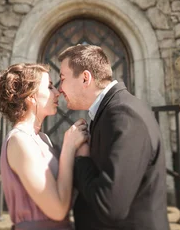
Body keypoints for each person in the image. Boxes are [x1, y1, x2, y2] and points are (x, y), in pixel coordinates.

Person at [58, 45, 169, 230]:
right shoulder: (109, 111)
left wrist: (82, 159)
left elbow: (110, 206)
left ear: (85, 78)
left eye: (62, 79)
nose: (60, 88)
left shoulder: (126, 117)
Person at [0, 63, 89, 229]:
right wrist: (69, 146)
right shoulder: (19, 141)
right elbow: (58, 210)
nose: (57, 91)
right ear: (31, 96)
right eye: (49, 86)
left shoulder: (42, 138)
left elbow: (64, 189)